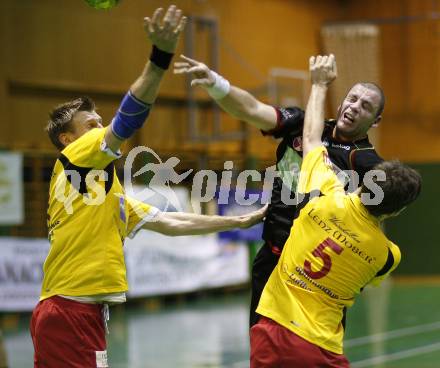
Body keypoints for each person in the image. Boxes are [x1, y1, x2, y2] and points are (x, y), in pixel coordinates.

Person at [30, 6, 266, 368]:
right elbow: (127, 121)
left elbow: (171, 222)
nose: (100, 125)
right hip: (69, 310)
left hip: (77, 313)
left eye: (99, 120)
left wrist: (238, 223)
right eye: (90, 123)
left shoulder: (104, 195)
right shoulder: (74, 158)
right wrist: (159, 59)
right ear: (68, 139)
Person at [174, 55, 384, 327]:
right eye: (352, 99)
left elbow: (369, 225)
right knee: (264, 351)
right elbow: (250, 109)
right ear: (341, 101)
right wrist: (216, 83)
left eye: (365, 106)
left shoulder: (369, 163)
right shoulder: (303, 123)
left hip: (318, 276)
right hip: (272, 259)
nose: (355, 107)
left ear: (375, 121)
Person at [250, 54, 421, 367]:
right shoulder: (388, 256)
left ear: (359, 187)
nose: (354, 107)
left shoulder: (324, 199)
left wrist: (318, 84)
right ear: (394, 213)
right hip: (323, 343)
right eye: (352, 98)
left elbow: (312, 140)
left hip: (273, 324)